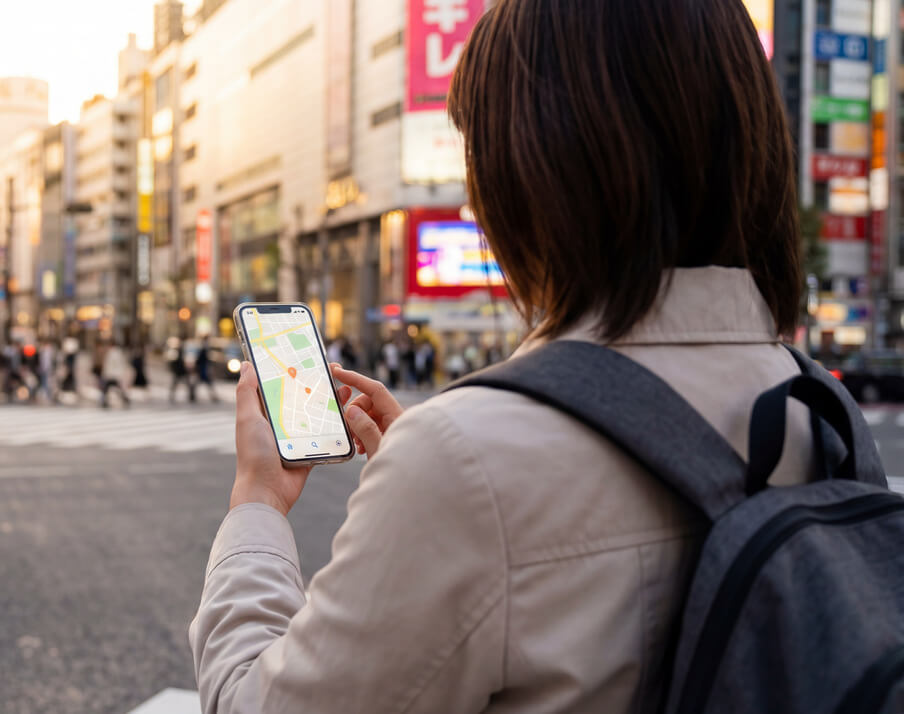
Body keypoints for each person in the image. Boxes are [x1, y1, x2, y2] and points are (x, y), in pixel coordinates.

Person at [189, 1, 808, 711]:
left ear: (534, 169)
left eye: (477, 150)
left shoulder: (470, 460)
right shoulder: (822, 412)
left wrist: (259, 501)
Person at [98, 338, 131, 409]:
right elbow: (122, 364)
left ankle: (104, 401)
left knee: (106, 389)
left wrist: (104, 373)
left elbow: (108, 364)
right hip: (117, 375)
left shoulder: (110, 353)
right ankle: (125, 399)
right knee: (118, 388)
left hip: (110, 374)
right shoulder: (119, 353)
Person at [168, 338, 194, 404]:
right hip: (179, 370)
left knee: (185, 384)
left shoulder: (180, 350)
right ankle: (172, 396)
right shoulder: (175, 351)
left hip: (181, 370)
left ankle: (191, 396)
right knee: (177, 384)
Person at [194, 336, 220, 403]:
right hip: (203, 369)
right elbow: (200, 359)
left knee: (205, 383)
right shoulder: (204, 348)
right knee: (206, 383)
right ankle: (213, 397)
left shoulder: (205, 348)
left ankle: (213, 396)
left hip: (203, 368)